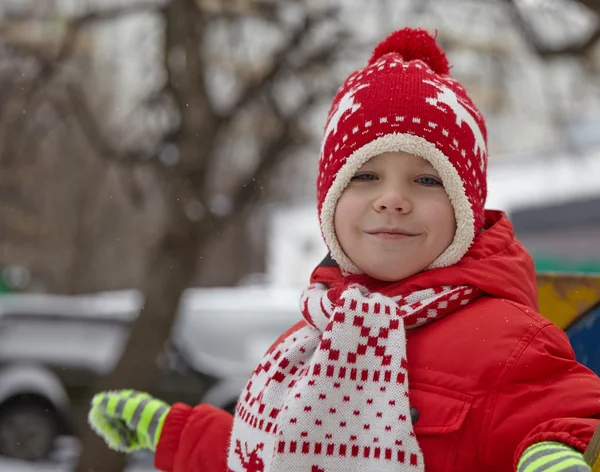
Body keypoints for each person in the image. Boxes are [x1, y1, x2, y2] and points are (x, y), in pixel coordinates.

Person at [87, 28, 600, 472]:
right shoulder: (310, 339)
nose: (393, 199)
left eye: (425, 179)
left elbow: (560, 413)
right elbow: (274, 453)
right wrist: (173, 430)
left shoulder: (508, 341)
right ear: (330, 202)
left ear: (466, 209)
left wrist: (550, 450)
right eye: (366, 176)